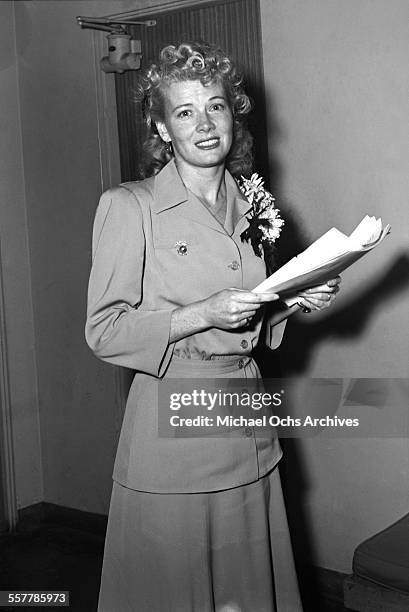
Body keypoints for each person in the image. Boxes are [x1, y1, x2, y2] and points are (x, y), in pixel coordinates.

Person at [86, 41, 341, 612]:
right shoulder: (129, 207)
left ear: (234, 112)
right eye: (184, 112)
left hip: (248, 428)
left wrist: (294, 301)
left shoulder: (254, 205)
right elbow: (104, 331)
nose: (204, 125)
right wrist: (199, 313)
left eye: (216, 107)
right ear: (160, 125)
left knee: (247, 592)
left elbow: (250, 311)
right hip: (172, 438)